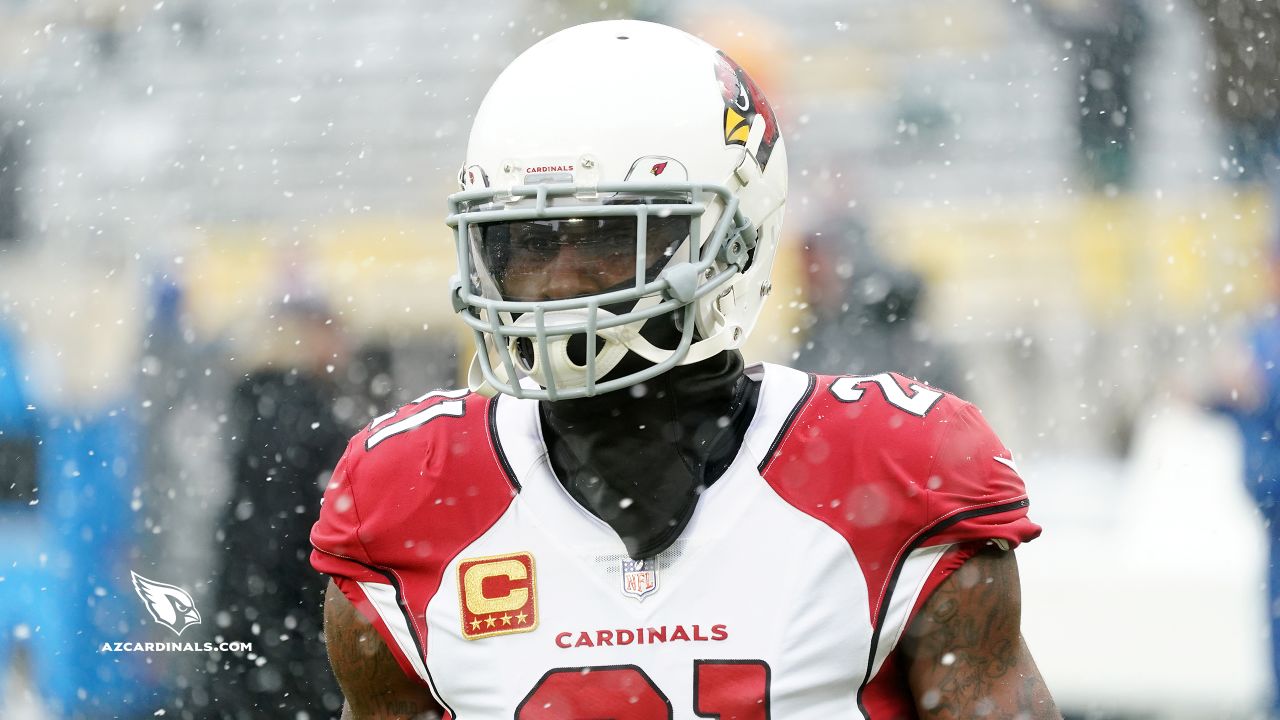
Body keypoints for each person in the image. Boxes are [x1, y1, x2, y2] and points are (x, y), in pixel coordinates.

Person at [310, 20, 1061, 719]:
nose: (558, 282)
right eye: (528, 241)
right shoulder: (411, 491)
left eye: (608, 234)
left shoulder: (896, 467)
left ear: (735, 239)